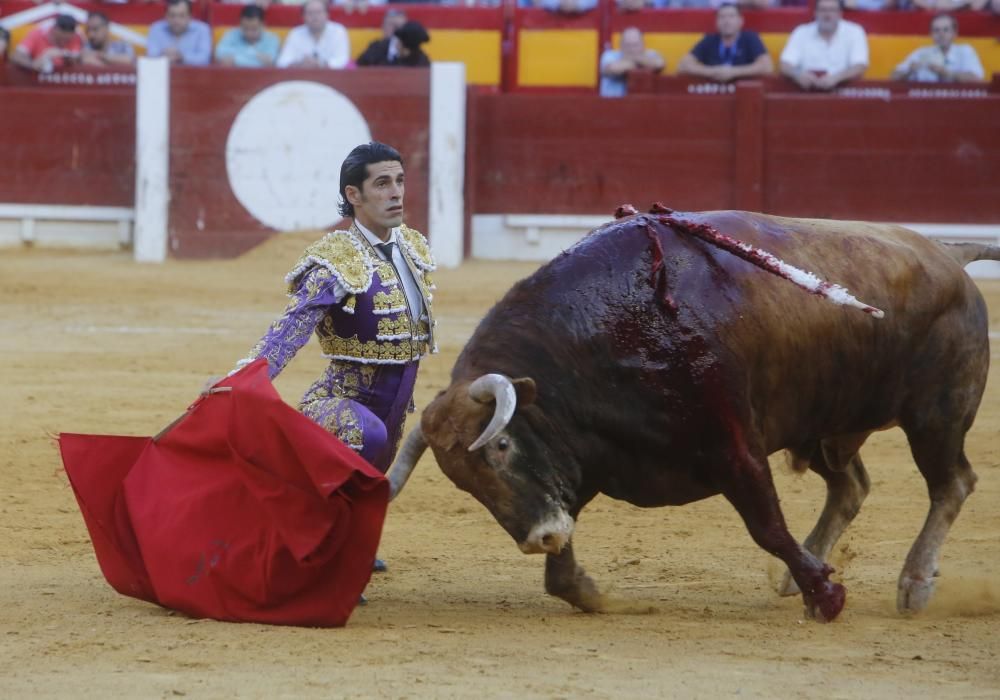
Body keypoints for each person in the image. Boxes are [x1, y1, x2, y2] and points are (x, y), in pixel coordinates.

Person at [231, 141, 436, 484]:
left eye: (400, 181)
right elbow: (289, 329)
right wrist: (240, 382)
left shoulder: (413, 250)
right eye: (382, 184)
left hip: (391, 418)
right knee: (365, 438)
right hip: (338, 415)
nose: (396, 193)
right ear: (354, 195)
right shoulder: (338, 259)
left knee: (361, 491)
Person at [779, 0, 868, 91]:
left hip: (843, 91)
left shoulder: (855, 31)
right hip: (806, 91)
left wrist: (836, 78)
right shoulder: (801, 32)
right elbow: (785, 65)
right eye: (823, 10)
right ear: (815, 13)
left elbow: (859, 66)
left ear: (840, 13)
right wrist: (798, 75)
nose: (827, 15)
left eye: (832, 10)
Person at [677, 4, 773, 82]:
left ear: (741, 21)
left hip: (744, 93)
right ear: (716, 22)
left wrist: (733, 72)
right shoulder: (709, 40)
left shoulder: (750, 38)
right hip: (713, 94)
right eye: (722, 17)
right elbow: (683, 65)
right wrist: (713, 71)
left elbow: (766, 66)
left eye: (731, 16)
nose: (726, 21)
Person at [891, 14, 984, 83]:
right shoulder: (921, 52)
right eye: (936, 30)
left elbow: (976, 79)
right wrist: (909, 71)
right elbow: (894, 77)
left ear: (955, 33)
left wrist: (947, 73)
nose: (941, 34)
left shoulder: (965, 51)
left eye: (946, 30)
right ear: (931, 34)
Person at [276, 0, 350, 69]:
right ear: (303, 17)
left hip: (332, 78)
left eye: (319, 12)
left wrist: (320, 64)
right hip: (302, 78)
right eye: (310, 13)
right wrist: (300, 64)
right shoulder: (295, 33)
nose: (315, 17)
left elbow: (342, 61)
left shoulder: (338, 31)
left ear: (327, 14)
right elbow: (282, 62)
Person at [599, 27, 666, 98]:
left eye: (635, 45)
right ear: (621, 45)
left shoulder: (651, 53)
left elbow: (660, 64)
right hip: (612, 105)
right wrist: (640, 62)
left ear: (642, 44)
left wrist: (630, 60)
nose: (631, 49)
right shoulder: (609, 55)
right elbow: (612, 70)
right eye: (628, 45)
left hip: (641, 104)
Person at [147, 0, 212, 66]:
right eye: (172, 15)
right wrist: (162, 55)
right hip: (161, 74)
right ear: (166, 16)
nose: (176, 20)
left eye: (181, 16)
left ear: (190, 16)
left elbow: (205, 59)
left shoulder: (202, 29)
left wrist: (182, 57)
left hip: (194, 75)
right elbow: (151, 56)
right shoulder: (156, 28)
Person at [10, 14, 82, 73]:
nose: (63, 42)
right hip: (36, 79)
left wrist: (63, 54)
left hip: (64, 80)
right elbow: (16, 55)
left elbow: (76, 59)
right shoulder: (37, 34)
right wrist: (33, 65)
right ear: (54, 29)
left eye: (67, 40)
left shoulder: (76, 37)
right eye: (60, 38)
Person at [215, 4, 280, 67]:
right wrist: (257, 56)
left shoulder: (272, 39)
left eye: (254, 29)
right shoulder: (230, 35)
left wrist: (236, 59)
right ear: (240, 24)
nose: (249, 33)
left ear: (263, 25)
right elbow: (220, 55)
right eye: (245, 28)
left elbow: (270, 62)